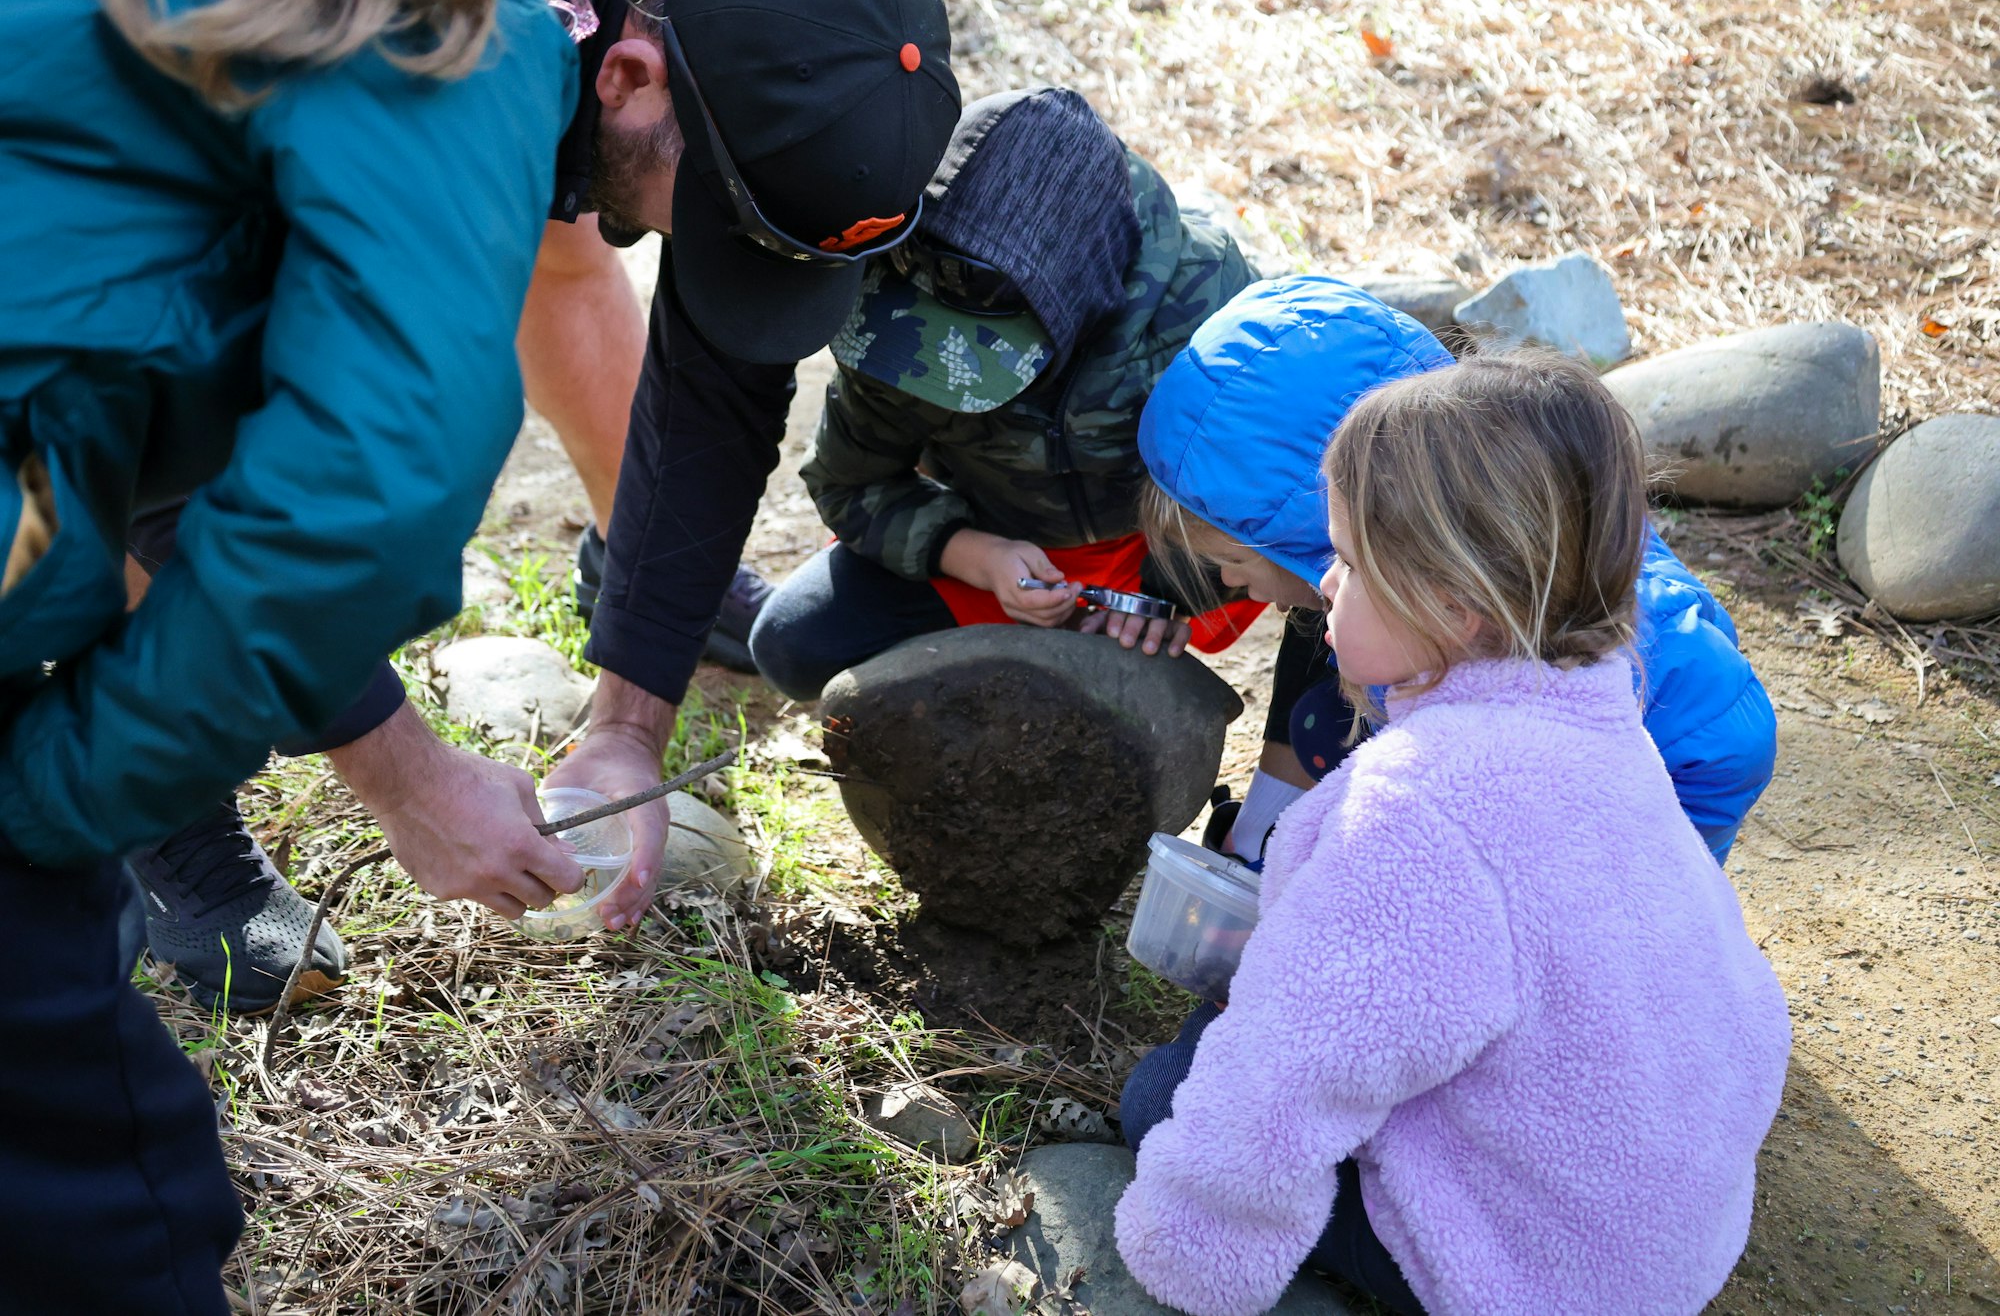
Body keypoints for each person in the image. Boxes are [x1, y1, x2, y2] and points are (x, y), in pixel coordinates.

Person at [120, 0, 964, 1011]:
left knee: (587, 210)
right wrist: (409, 780)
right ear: (627, 73)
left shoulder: (740, 31)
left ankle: (633, 570)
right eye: (718, 220)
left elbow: (719, 367)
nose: (710, 252)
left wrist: (630, 716)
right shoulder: (374, 90)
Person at [0, 0, 578, 1307]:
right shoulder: (461, 45)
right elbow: (353, 504)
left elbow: (129, 375)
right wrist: (52, 801)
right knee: (110, 1196)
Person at [1113, 349, 1793, 1316]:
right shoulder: (1609, 727)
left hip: (1547, 1276)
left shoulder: (1412, 810)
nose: (1328, 582)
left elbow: (1285, 1080)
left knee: (1168, 1088)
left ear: (1453, 600)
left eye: (1348, 558)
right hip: (1671, 1232)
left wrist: (1187, 1251)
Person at [1137, 275, 1779, 868]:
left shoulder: (1567, 645)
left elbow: (1717, 725)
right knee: (1326, 713)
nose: (1225, 583)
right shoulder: (1412, 574)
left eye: (1234, 561)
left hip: (1628, 818)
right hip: (1523, 772)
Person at [748, 86, 1263, 701]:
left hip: (1166, 544)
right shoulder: (895, 314)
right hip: (1004, 548)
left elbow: (1278, 491)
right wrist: (975, 555)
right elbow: (848, 484)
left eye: (987, 349)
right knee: (793, 643)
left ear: (1081, 289)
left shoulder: (1206, 302)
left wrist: (1166, 592)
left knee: (1346, 586)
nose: (951, 366)